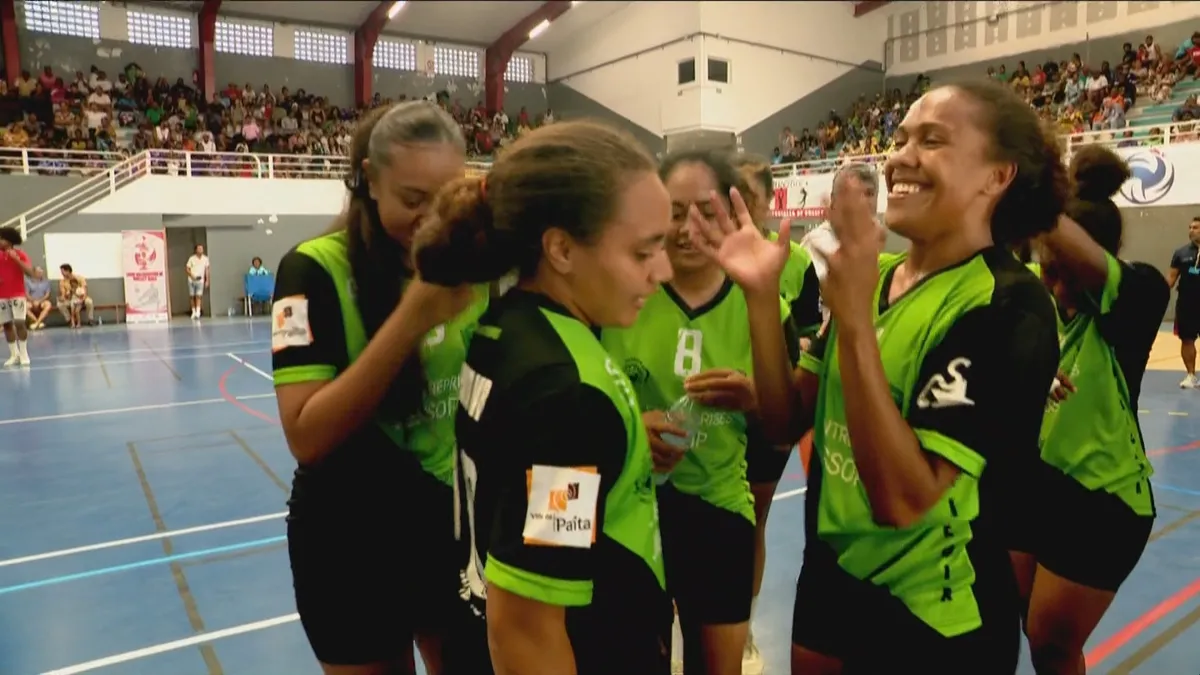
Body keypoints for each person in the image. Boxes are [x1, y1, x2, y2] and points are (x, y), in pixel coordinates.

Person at [689, 80, 1063, 673]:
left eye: (933, 140)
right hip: (833, 577)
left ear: (997, 177)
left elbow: (903, 499)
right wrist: (762, 298)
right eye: (900, 137)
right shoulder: (877, 274)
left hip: (935, 612)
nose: (900, 157)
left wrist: (856, 318)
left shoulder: (1009, 305)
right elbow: (788, 421)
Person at [420, 120, 676, 675]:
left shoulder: (505, 328)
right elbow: (526, 631)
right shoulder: (569, 394)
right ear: (560, 247)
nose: (665, 270)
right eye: (643, 252)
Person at [271, 101, 486, 675]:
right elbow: (306, 435)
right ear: (369, 178)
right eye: (413, 200)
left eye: (445, 199)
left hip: (450, 528)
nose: (430, 218)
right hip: (349, 539)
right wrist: (412, 318)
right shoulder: (311, 270)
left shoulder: (478, 260)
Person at [601, 150, 798, 675]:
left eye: (704, 212)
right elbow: (582, 405)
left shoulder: (761, 303)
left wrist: (754, 399)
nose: (687, 229)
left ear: (732, 215)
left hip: (717, 512)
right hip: (631, 514)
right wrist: (632, 429)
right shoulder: (618, 298)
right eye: (674, 210)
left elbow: (783, 424)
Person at [1012, 146, 1169, 675]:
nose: (1056, 288)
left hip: (1104, 501)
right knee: (1028, 630)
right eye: (1046, 272)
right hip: (1037, 483)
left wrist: (1037, 187)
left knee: (1050, 645)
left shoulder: (1137, 298)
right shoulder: (1034, 307)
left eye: (1067, 275)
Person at [729, 153, 822, 675]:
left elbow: (809, 332)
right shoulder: (704, 259)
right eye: (732, 193)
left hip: (769, 411)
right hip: (712, 410)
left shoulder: (798, 263)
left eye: (752, 195)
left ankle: (742, 627)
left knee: (753, 523)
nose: (741, 205)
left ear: (768, 202)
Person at [1167, 217, 1200, 388]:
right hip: (1187, 304)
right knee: (1187, 339)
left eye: (1195, 227)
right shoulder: (1181, 253)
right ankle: (1191, 376)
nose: (1191, 230)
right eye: (1190, 227)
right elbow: (1171, 279)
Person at [0, 227, 33, 367]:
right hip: (2, 295)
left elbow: (29, 272)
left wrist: (16, 259)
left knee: (19, 322)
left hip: (17, 294)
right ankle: (14, 354)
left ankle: (24, 353)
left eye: (1, 238)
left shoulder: (21, 254)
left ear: (9, 240)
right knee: (7, 324)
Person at [57, 264, 94, 328]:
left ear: (68, 271)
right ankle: (69, 320)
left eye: (62, 271)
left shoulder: (79, 278)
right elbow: (63, 293)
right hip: (70, 299)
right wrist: (62, 297)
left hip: (81, 297)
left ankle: (90, 319)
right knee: (60, 304)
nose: (61, 273)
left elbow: (84, 291)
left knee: (89, 302)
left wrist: (82, 300)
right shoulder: (62, 281)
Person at [186, 244, 209, 319]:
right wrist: (192, 276)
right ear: (196, 250)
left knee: (198, 296)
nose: (201, 250)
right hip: (191, 280)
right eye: (199, 248)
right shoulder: (191, 258)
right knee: (192, 296)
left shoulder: (205, 259)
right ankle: (193, 311)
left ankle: (198, 312)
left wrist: (207, 280)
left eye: (202, 248)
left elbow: (207, 270)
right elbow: (187, 269)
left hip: (200, 280)